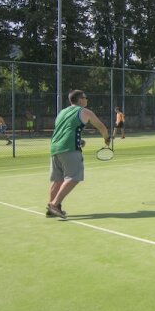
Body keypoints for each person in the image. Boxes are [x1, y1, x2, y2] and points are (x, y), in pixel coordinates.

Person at [46, 90, 110, 219]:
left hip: (55, 148)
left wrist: (79, 141)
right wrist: (106, 139)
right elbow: (101, 127)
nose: (87, 100)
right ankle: (54, 204)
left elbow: (65, 130)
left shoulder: (62, 112)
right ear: (80, 99)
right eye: (85, 97)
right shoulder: (85, 112)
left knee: (58, 180)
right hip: (69, 149)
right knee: (74, 177)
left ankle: (52, 209)